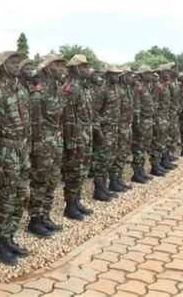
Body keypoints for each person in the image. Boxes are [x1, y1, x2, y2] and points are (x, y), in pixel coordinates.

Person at [0, 51, 31, 265]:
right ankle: (0, 244)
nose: (18, 65)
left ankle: (9, 237)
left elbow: (27, 125)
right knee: (4, 199)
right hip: (5, 152)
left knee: (20, 196)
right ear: (2, 66)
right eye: (13, 62)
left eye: (19, 62)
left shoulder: (21, 90)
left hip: (21, 151)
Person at [27, 54, 66, 237]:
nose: (61, 69)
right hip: (43, 143)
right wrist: (35, 150)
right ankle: (35, 219)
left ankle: (45, 214)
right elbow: (34, 125)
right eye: (57, 66)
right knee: (40, 181)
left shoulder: (57, 90)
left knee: (52, 180)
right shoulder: (38, 93)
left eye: (62, 66)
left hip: (55, 141)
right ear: (48, 68)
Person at [61, 54, 95, 220]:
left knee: (82, 170)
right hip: (76, 136)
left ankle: (77, 199)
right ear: (75, 69)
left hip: (85, 135)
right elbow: (67, 116)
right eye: (83, 67)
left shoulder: (85, 87)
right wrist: (70, 140)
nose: (87, 70)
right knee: (74, 170)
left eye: (87, 66)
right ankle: (70, 204)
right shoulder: (71, 88)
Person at [92, 64, 122, 200]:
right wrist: (99, 133)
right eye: (114, 74)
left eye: (118, 74)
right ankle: (98, 190)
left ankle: (104, 187)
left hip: (113, 130)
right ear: (108, 75)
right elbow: (95, 114)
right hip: (105, 131)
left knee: (109, 159)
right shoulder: (102, 91)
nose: (117, 76)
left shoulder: (115, 89)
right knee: (101, 160)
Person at [131, 65, 155, 182]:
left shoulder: (147, 87)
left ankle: (141, 170)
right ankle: (136, 173)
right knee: (138, 148)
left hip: (148, 121)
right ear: (144, 75)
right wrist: (137, 125)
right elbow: (136, 109)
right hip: (141, 123)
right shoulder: (138, 88)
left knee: (144, 147)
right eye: (149, 73)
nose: (152, 75)